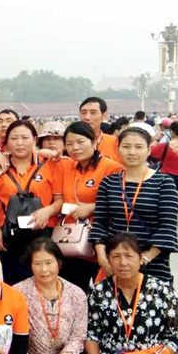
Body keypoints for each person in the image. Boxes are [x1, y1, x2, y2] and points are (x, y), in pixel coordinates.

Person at [90, 128, 178, 282]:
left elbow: (167, 227)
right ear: (118, 149)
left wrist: (143, 259)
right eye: (126, 146)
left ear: (149, 150)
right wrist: (103, 258)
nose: (132, 152)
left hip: (152, 263)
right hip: (115, 263)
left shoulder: (164, 183)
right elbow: (99, 224)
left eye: (138, 147)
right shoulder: (108, 183)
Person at [0, 120, 63, 284]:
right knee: (14, 284)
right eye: (14, 138)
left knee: (44, 280)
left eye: (25, 138)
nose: (19, 143)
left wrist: (47, 211)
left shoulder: (49, 164)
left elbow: (59, 201)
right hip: (10, 235)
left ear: (34, 140)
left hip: (42, 232)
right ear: (7, 142)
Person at [14, 238, 87, 354]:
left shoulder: (76, 293)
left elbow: (79, 334)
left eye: (49, 263)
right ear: (30, 266)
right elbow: (13, 334)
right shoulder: (18, 292)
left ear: (59, 263)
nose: (44, 269)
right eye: (37, 264)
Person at [59, 122, 124, 290]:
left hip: (102, 241)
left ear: (94, 142)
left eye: (81, 142)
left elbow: (122, 201)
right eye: (69, 143)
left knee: (106, 292)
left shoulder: (112, 168)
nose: (75, 147)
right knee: (73, 292)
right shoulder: (67, 166)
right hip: (72, 243)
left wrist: (92, 207)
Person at [79, 97, 122, 163]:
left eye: (93, 113)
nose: (87, 117)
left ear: (104, 116)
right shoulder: (70, 143)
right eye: (83, 113)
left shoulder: (115, 143)